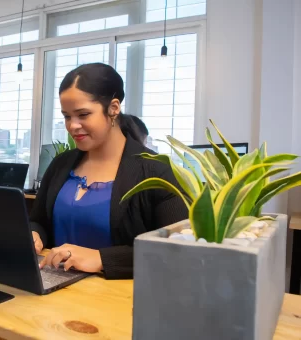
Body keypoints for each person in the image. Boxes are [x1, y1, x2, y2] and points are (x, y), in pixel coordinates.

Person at [30, 63, 188, 280]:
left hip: (117, 301)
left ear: (113, 108)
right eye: (67, 116)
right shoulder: (61, 165)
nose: (72, 126)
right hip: (55, 292)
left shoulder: (156, 171)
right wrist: (35, 233)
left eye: (83, 114)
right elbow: (39, 220)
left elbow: (177, 251)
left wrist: (102, 259)